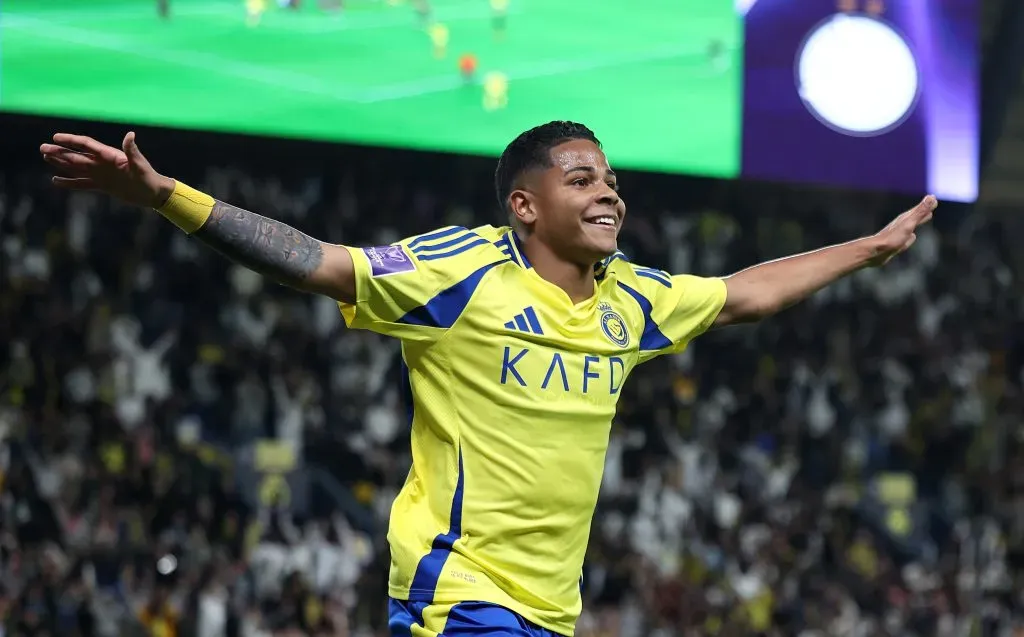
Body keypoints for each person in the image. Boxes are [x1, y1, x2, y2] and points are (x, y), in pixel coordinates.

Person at [39, 121, 935, 636]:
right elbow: (320, 262)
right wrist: (170, 198)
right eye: (581, 177)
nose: (609, 192)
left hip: (553, 607)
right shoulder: (461, 271)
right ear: (525, 205)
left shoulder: (637, 300)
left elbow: (748, 293)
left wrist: (872, 247)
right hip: (456, 588)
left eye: (612, 179)